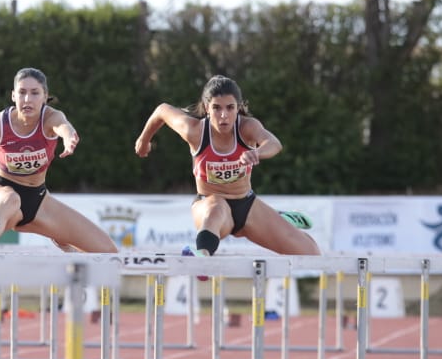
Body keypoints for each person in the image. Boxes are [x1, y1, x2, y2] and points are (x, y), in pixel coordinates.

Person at [134, 74, 319, 256]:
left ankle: (278, 218)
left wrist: (257, 152)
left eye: (230, 108)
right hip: (208, 204)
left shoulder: (247, 127)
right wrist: (144, 141)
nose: (224, 116)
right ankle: (202, 256)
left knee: (311, 252)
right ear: (207, 107)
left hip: (246, 205)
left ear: (238, 108)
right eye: (217, 108)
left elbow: (274, 143)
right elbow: (162, 110)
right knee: (217, 207)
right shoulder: (195, 131)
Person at [0, 67, 116, 254]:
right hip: (0, 192)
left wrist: (69, 137)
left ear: (45, 96)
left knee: (108, 251)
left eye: (34, 93)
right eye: (22, 93)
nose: (27, 99)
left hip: (38, 200)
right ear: (13, 96)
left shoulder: (51, 117)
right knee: (10, 199)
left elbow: (63, 126)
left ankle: (60, 238)